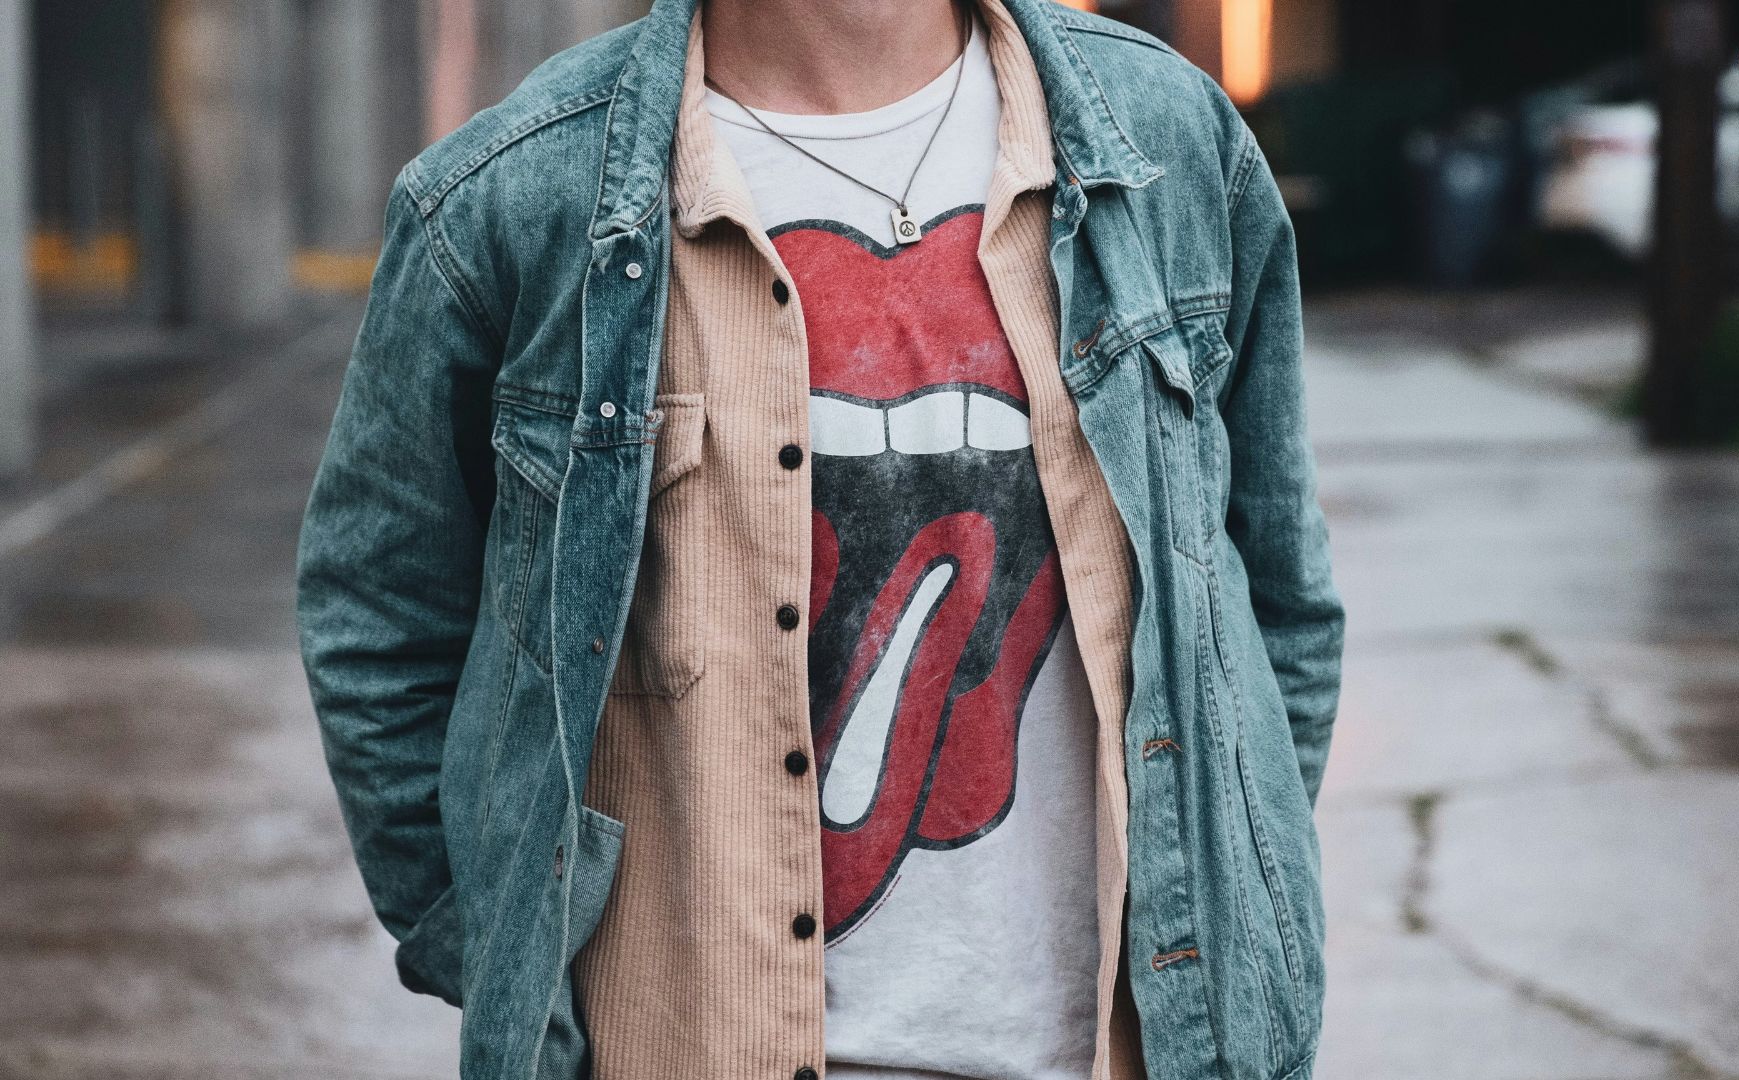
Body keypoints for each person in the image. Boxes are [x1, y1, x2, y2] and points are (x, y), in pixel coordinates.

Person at [295, 1, 1344, 1078]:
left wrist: (1228, 892)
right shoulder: (511, 200)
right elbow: (379, 618)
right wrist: (507, 953)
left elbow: (1271, 608)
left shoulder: (1166, 141)